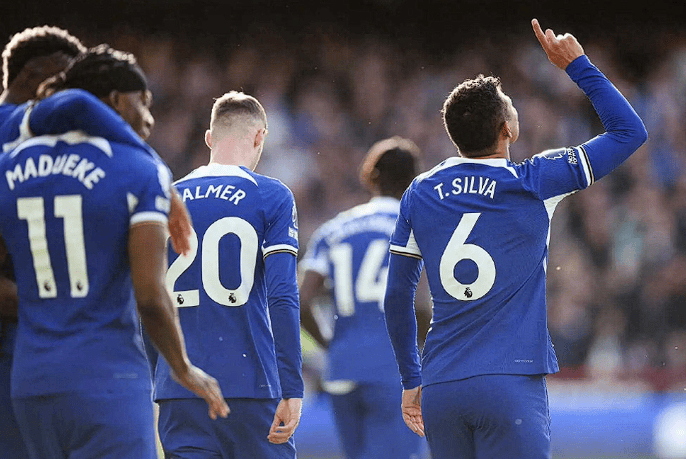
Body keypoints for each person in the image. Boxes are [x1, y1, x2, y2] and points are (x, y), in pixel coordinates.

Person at [383, 19, 648, 459]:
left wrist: (411, 379)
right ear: (506, 128)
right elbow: (629, 132)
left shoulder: (420, 191)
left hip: (442, 383)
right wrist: (578, 65)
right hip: (510, 382)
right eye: (509, 103)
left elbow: (397, 296)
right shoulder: (533, 181)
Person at [0, 45, 229, 459]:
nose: (150, 118)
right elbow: (150, 298)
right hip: (108, 378)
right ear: (117, 100)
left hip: (31, 384)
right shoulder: (137, 168)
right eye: (144, 102)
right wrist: (183, 368)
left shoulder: (10, 165)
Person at [155, 90, 304, 458]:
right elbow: (282, 295)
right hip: (250, 384)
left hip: (179, 388)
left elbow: (146, 295)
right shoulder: (271, 195)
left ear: (210, 138)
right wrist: (292, 385)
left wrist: (156, 374)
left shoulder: (164, 199)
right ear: (259, 136)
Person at [299, 136, 429, 459]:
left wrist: (330, 344)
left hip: (342, 367)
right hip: (393, 368)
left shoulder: (332, 229)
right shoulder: (416, 227)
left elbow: (300, 301)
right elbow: (420, 306)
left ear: (371, 177)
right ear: (413, 180)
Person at [0, 25, 86, 459]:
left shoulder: (47, 141)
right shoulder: (21, 135)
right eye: (69, 83)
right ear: (37, 75)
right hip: (19, 340)